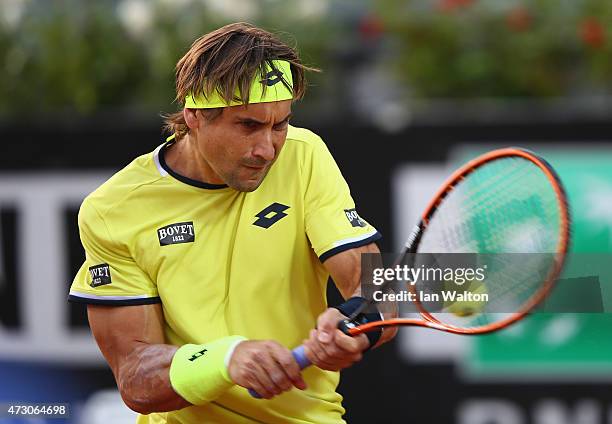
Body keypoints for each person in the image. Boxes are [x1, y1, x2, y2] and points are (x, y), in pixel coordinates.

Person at [68, 22, 395, 424]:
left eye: (280, 125)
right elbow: (135, 377)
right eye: (248, 125)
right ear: (194, 117)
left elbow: (377, 288)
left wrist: (357, 320)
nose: (268, 148)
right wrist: (226, 359)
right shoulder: (112, 209)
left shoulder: (305, 155)